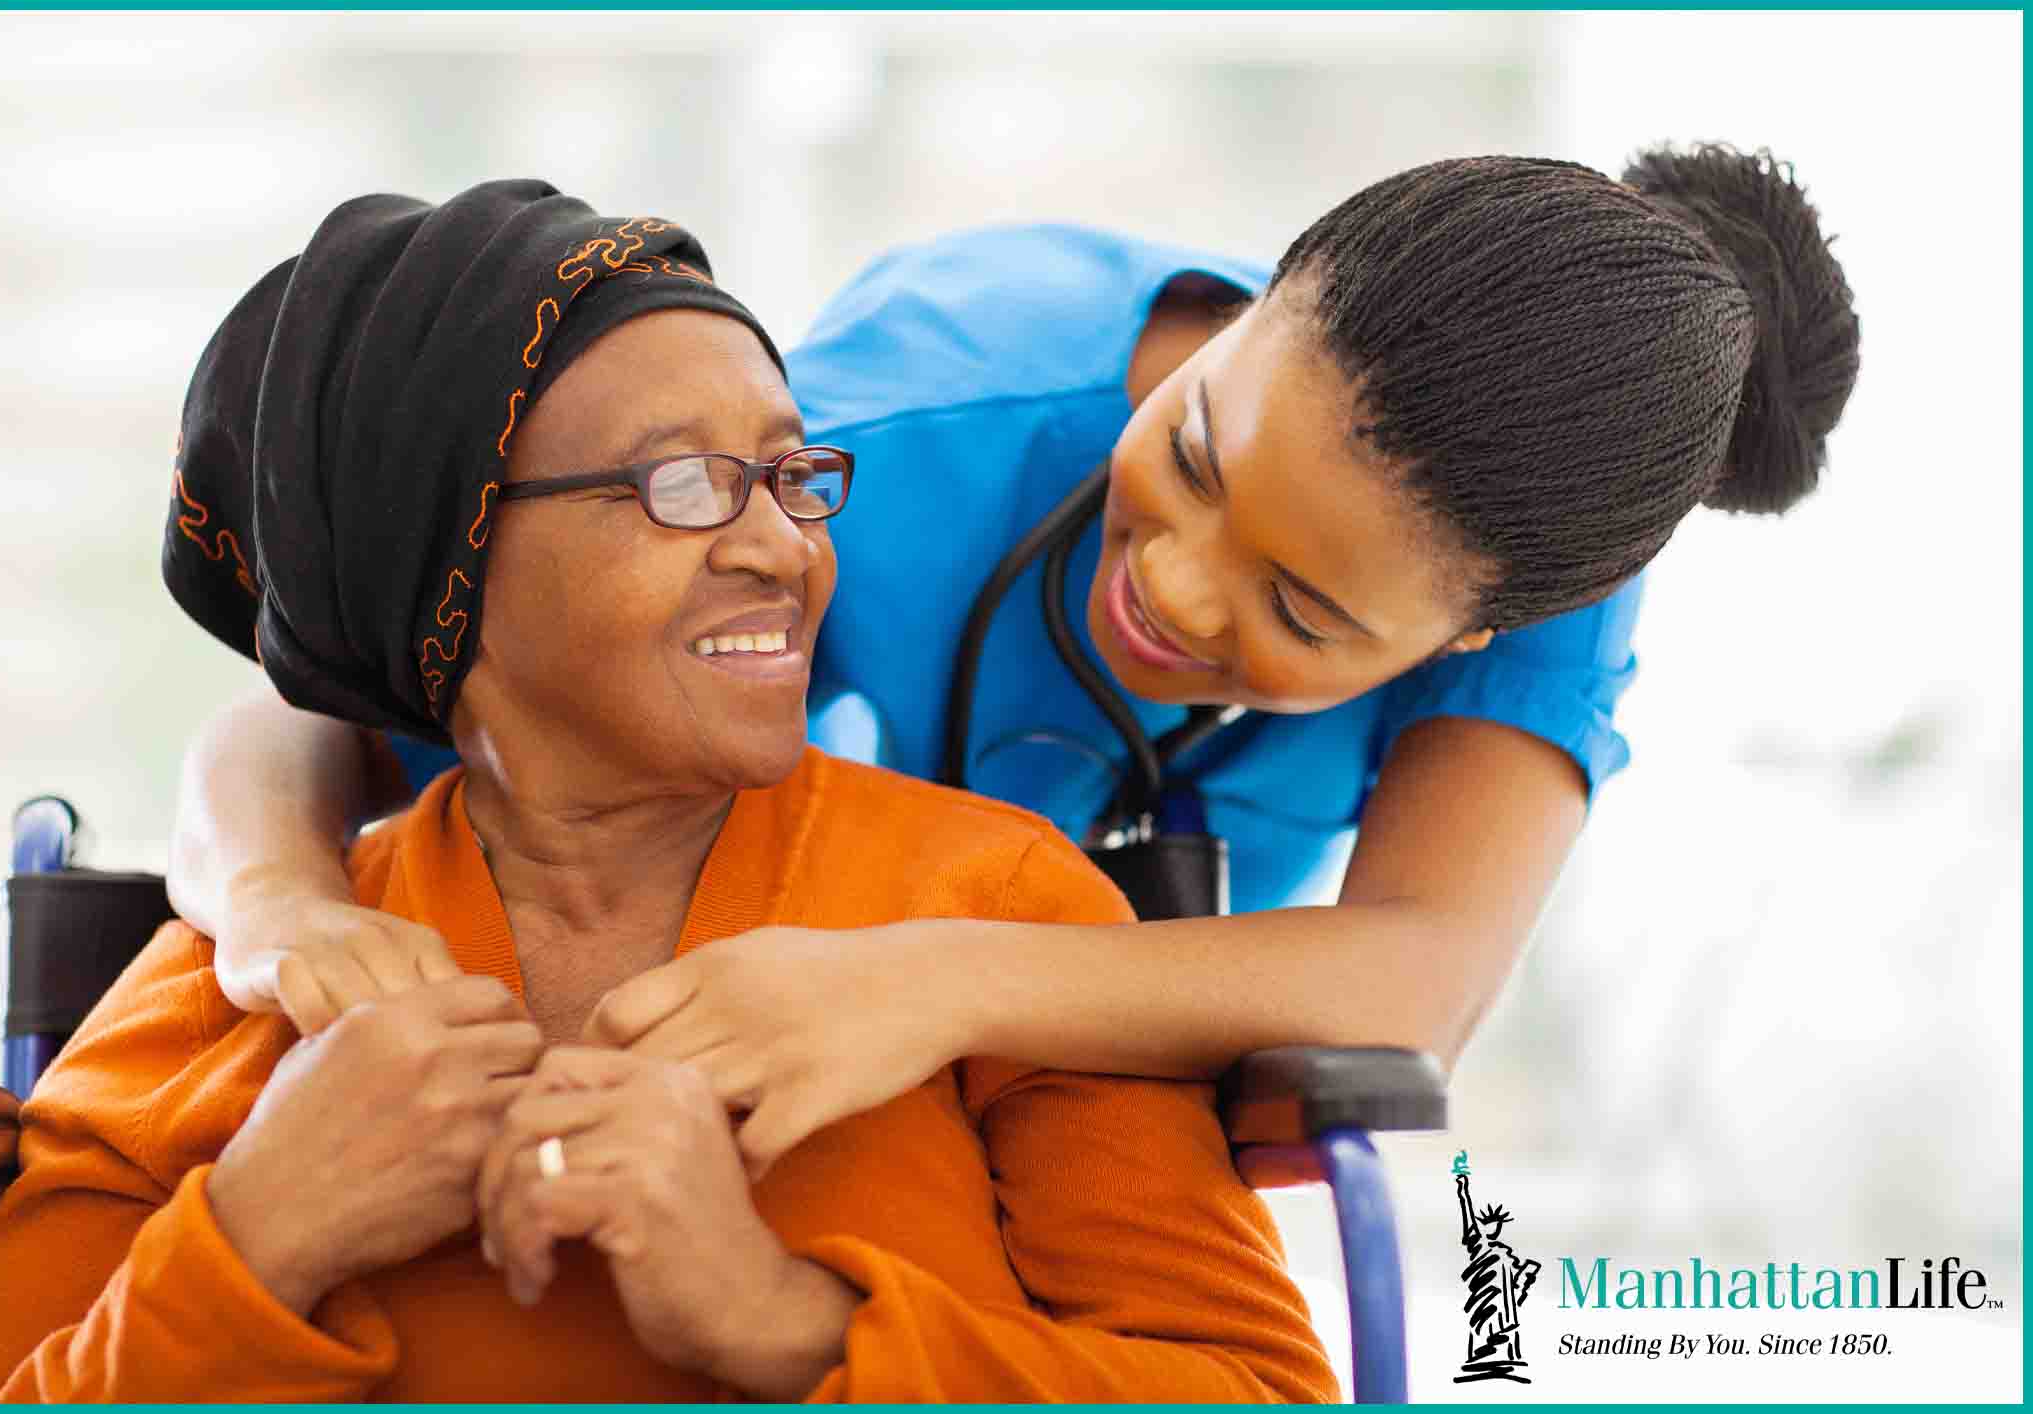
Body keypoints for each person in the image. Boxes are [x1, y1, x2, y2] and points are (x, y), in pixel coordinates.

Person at [167, 144, 1861, 1174]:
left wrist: (928, 977)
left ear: (1471, 633)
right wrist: (279, 905)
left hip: (1018, 1167)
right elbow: (299, 715)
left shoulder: (1532, 561)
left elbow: (1415, 980)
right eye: (1190, 453)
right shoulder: (898, 434)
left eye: (1303, 613)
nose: (1180, 596)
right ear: (1259, 305)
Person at [0, 183, 1335, 1404]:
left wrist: (779, 1318)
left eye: (790, 474)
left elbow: (1250, 1392)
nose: (782, 546)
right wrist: (260, 1236)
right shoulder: (240, 985)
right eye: (683, 484)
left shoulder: (994, 909)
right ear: (450, 568)